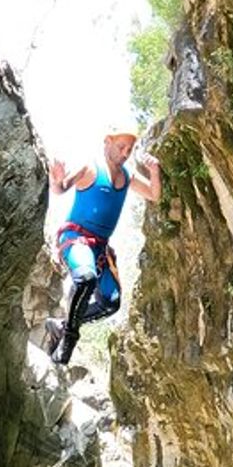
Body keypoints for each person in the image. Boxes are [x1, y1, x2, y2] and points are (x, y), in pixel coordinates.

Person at [44, 123, 162, 365]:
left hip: (99, 248)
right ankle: (68, 338)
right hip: (76, 239)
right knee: (86, 278)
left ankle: (60, 326)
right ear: (107, 142)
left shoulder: (127, 176)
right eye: (121, 147)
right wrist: (55, 179)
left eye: (130, 149)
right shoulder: (89, 167)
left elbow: (153, 194)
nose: (125, 153)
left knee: (110, 303)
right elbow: (60, 188)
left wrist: (155, 169)